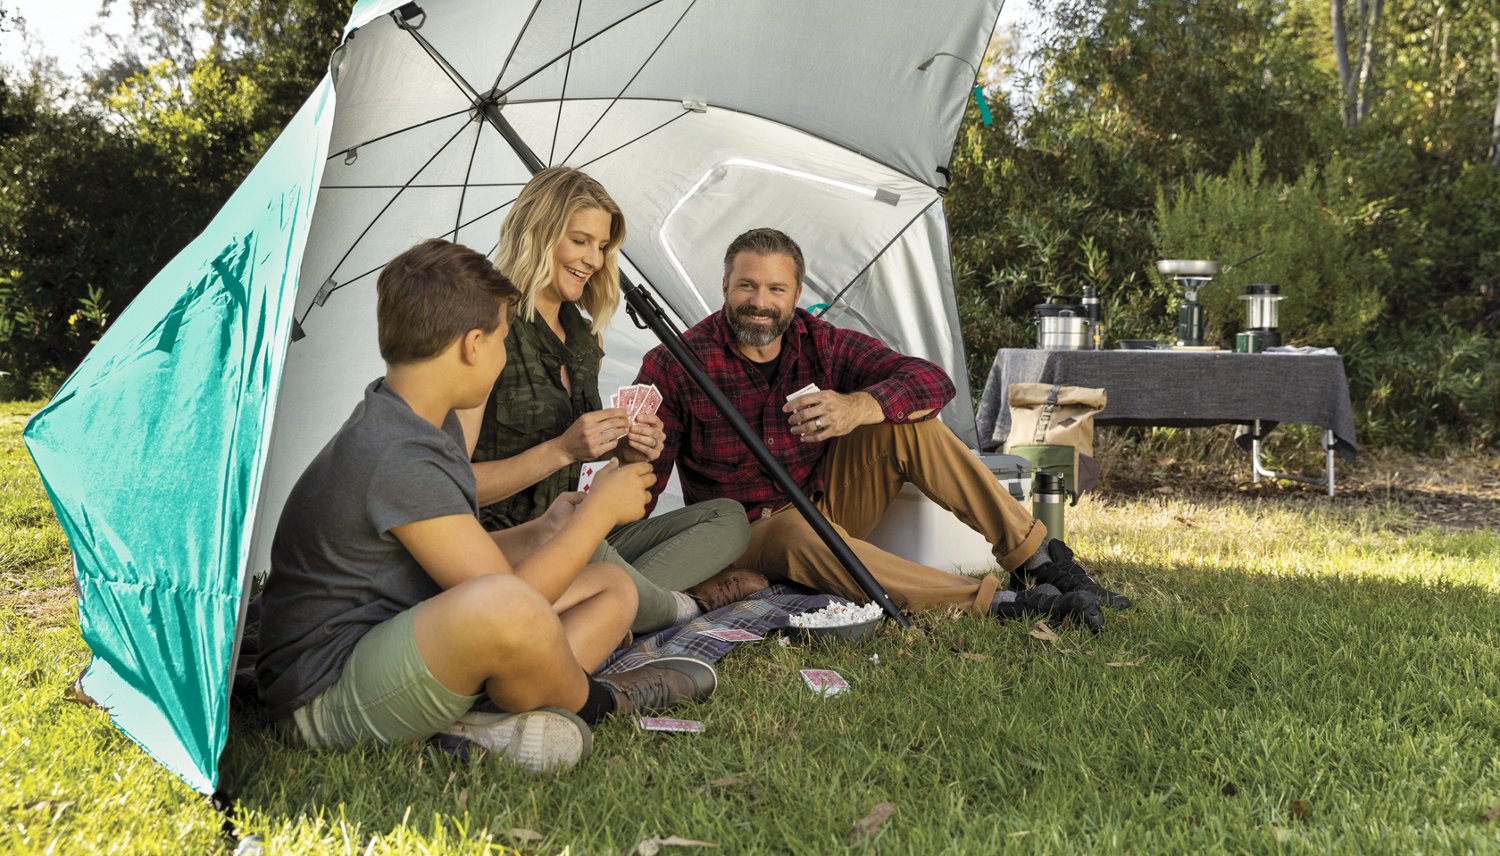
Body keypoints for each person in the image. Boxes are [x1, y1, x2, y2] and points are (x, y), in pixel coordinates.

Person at [256, 239, 717, 774]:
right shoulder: (396, 451)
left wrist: (544, 529)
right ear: (473, 345)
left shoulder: (422, 421)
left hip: (400, 637)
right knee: (508, 605)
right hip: (324, 697)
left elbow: (461, 562)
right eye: (502, 339)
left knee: (611, 587)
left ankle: (481, 720)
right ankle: (601, 701)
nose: (503, 354)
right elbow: (507, 598)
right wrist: (596, 516)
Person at [633, 228, 1133, 632]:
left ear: (796, 295)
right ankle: (997, 603)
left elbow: (931, 380)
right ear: (724, 287)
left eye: (775, 289)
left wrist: (860, 406)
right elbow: (641, 485)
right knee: (795, 532)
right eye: (747, 286)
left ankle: (1036, 559)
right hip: (745, 531)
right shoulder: (676, 363)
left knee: (907, 424)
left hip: (824, 503)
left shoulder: (820, 342)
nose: (759, 301)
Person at [463, 167, 765, 634]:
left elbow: (585, 466)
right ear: (539, 234)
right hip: (510, 540)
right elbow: (452, 487)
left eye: (602, 246)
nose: (594, 259)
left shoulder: (586, 338)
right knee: (593, 549)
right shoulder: (487, 328)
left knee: (727, 518)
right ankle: (674, 607)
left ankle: (605, 602)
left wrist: (625, 451)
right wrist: (562, 449)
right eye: (580, 240)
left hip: (578, 528)